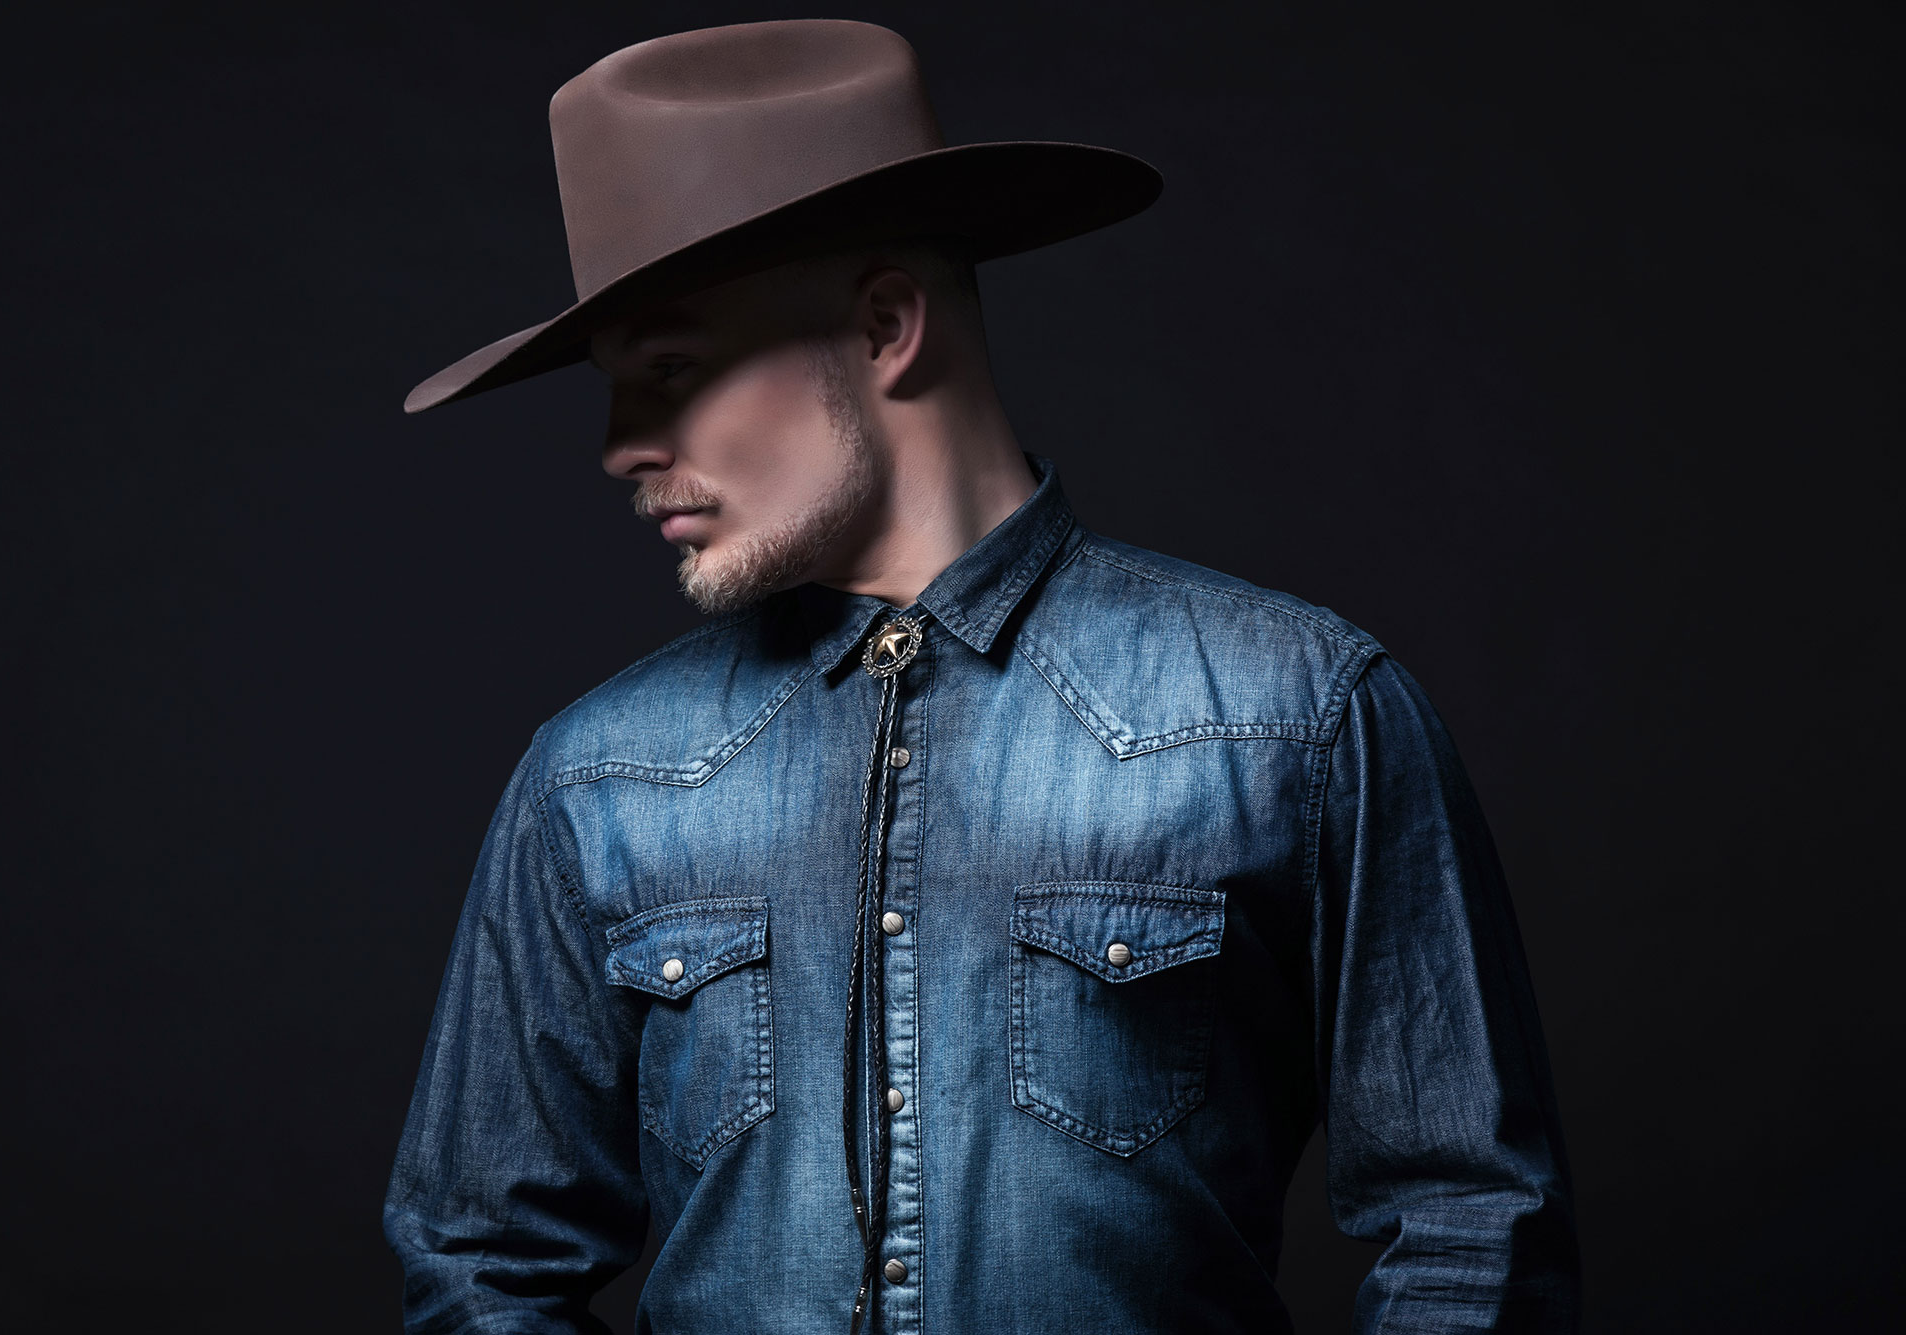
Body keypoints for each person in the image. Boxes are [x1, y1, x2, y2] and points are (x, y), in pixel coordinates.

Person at [383, 18, 1579, 1335]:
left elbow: (1472, 1229)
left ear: (886, 326)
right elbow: (480, 1262)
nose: (623, 447)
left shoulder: (1297, 715)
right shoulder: (596, 777)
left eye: (670, 370)